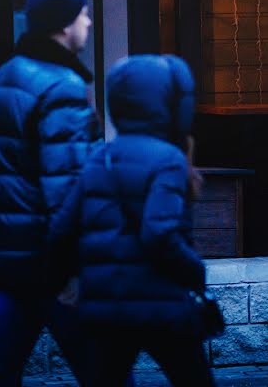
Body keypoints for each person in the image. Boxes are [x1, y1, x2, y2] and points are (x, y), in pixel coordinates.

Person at [53, 55, 216, 386]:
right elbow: (160, 234)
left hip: (105, 308)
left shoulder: (101, 156)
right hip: (161, 305)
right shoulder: (168, 159)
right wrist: (195, 271)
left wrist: (73, 278)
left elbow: (60, 230)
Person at [0, 0, 98, 385]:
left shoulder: (5, 76)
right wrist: (72, 270)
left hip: (9, 255)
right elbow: (67, 189)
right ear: (64, 24)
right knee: (105, 368)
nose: (90, 23)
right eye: (83, 15)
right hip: (49, 261)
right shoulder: (62, 87)